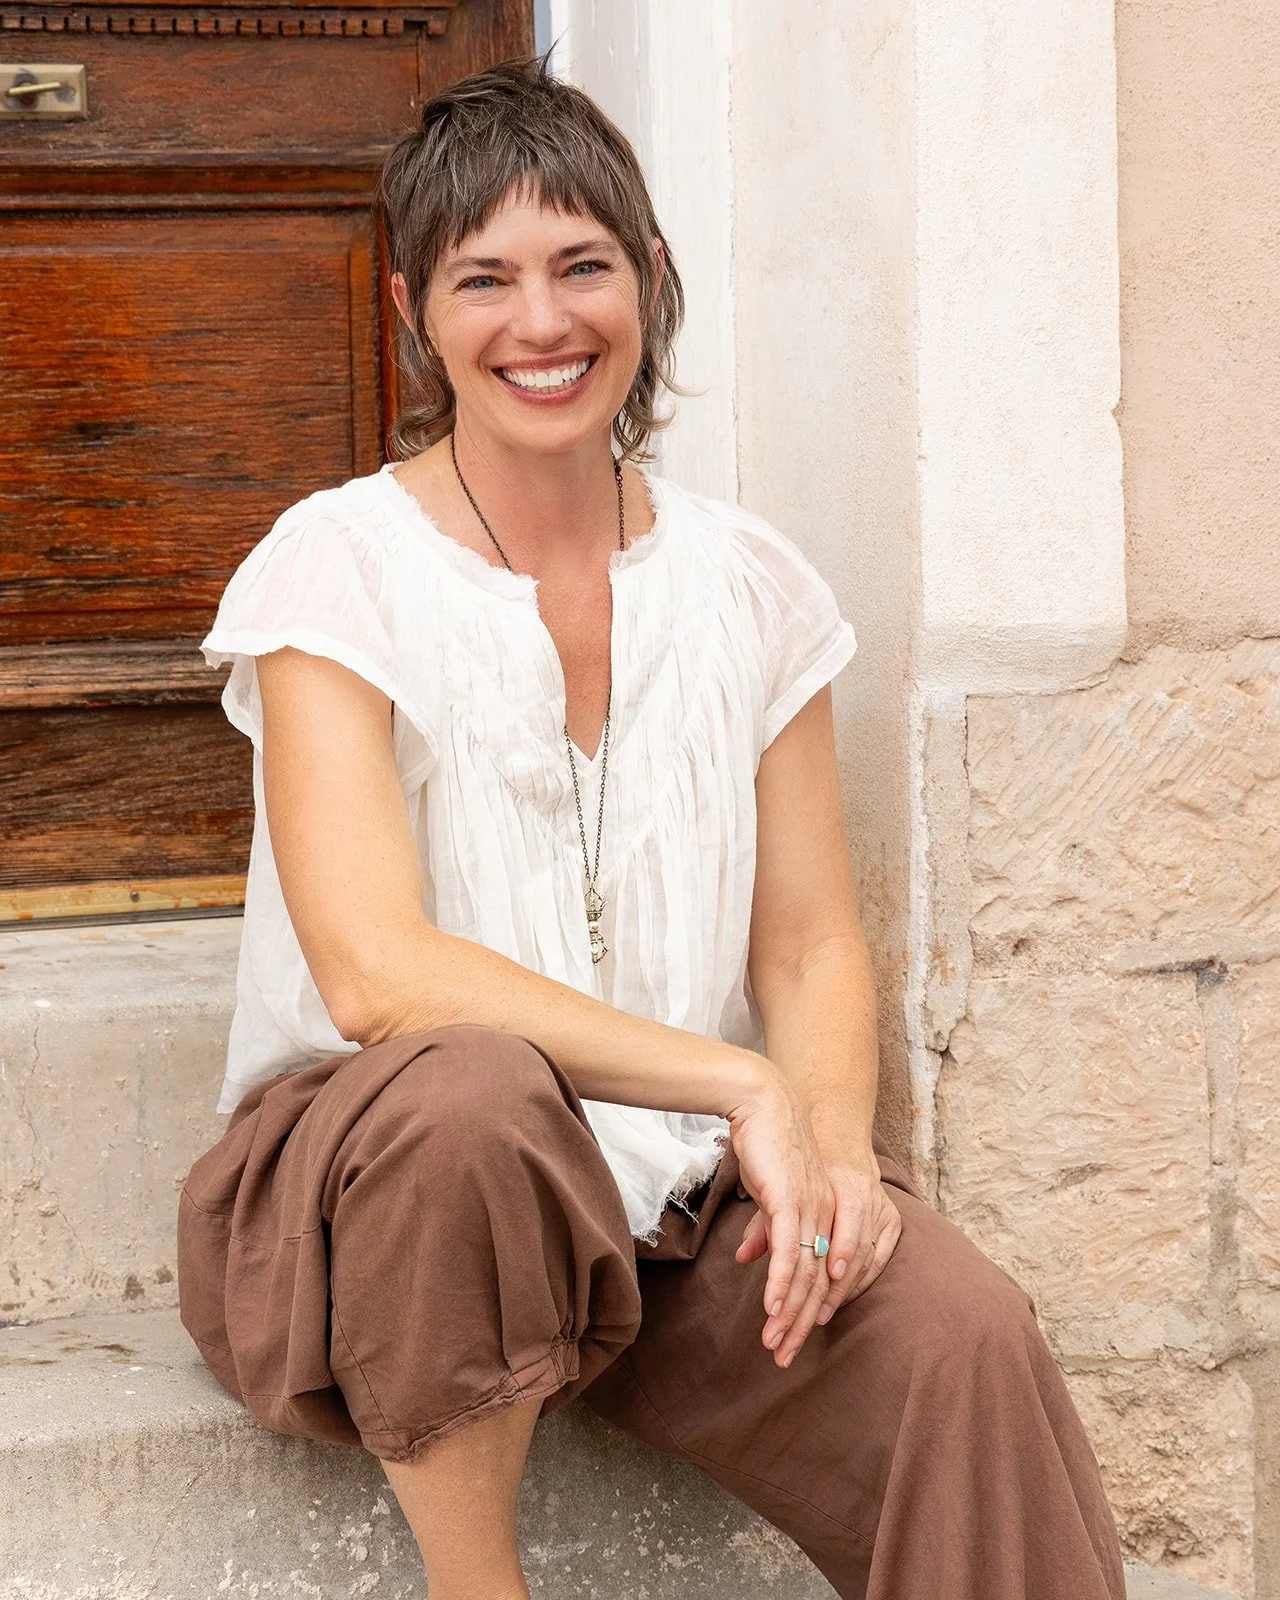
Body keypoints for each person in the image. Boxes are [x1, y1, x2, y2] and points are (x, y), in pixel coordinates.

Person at [176, 55, 1126, 1600]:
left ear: (653, 276)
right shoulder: (333, 568)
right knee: (474, 1095)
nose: (541, 323)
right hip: (374, 1204)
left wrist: (832, 1158)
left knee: (961, 1335)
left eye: (582, 267)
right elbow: (376, 977)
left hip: (669, 1204)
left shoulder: (751, 585)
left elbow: (807, 942)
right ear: (415, 311)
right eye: (484, 280)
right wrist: (743, 1083)